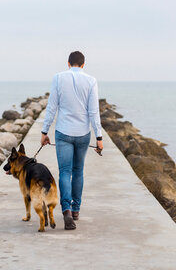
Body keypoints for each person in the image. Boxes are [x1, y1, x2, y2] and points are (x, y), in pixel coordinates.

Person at [41, 51, 103, 230]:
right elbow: (93, 111)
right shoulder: (91, 81)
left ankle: (66, 210)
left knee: (64, 171)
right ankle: (76, 210)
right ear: (83, 65)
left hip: (63, 131)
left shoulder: (59, 78)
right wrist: (99, 137)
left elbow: (52, 107)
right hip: (83, 133)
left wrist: (45, 132)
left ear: (68, 63)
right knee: (78, 171)